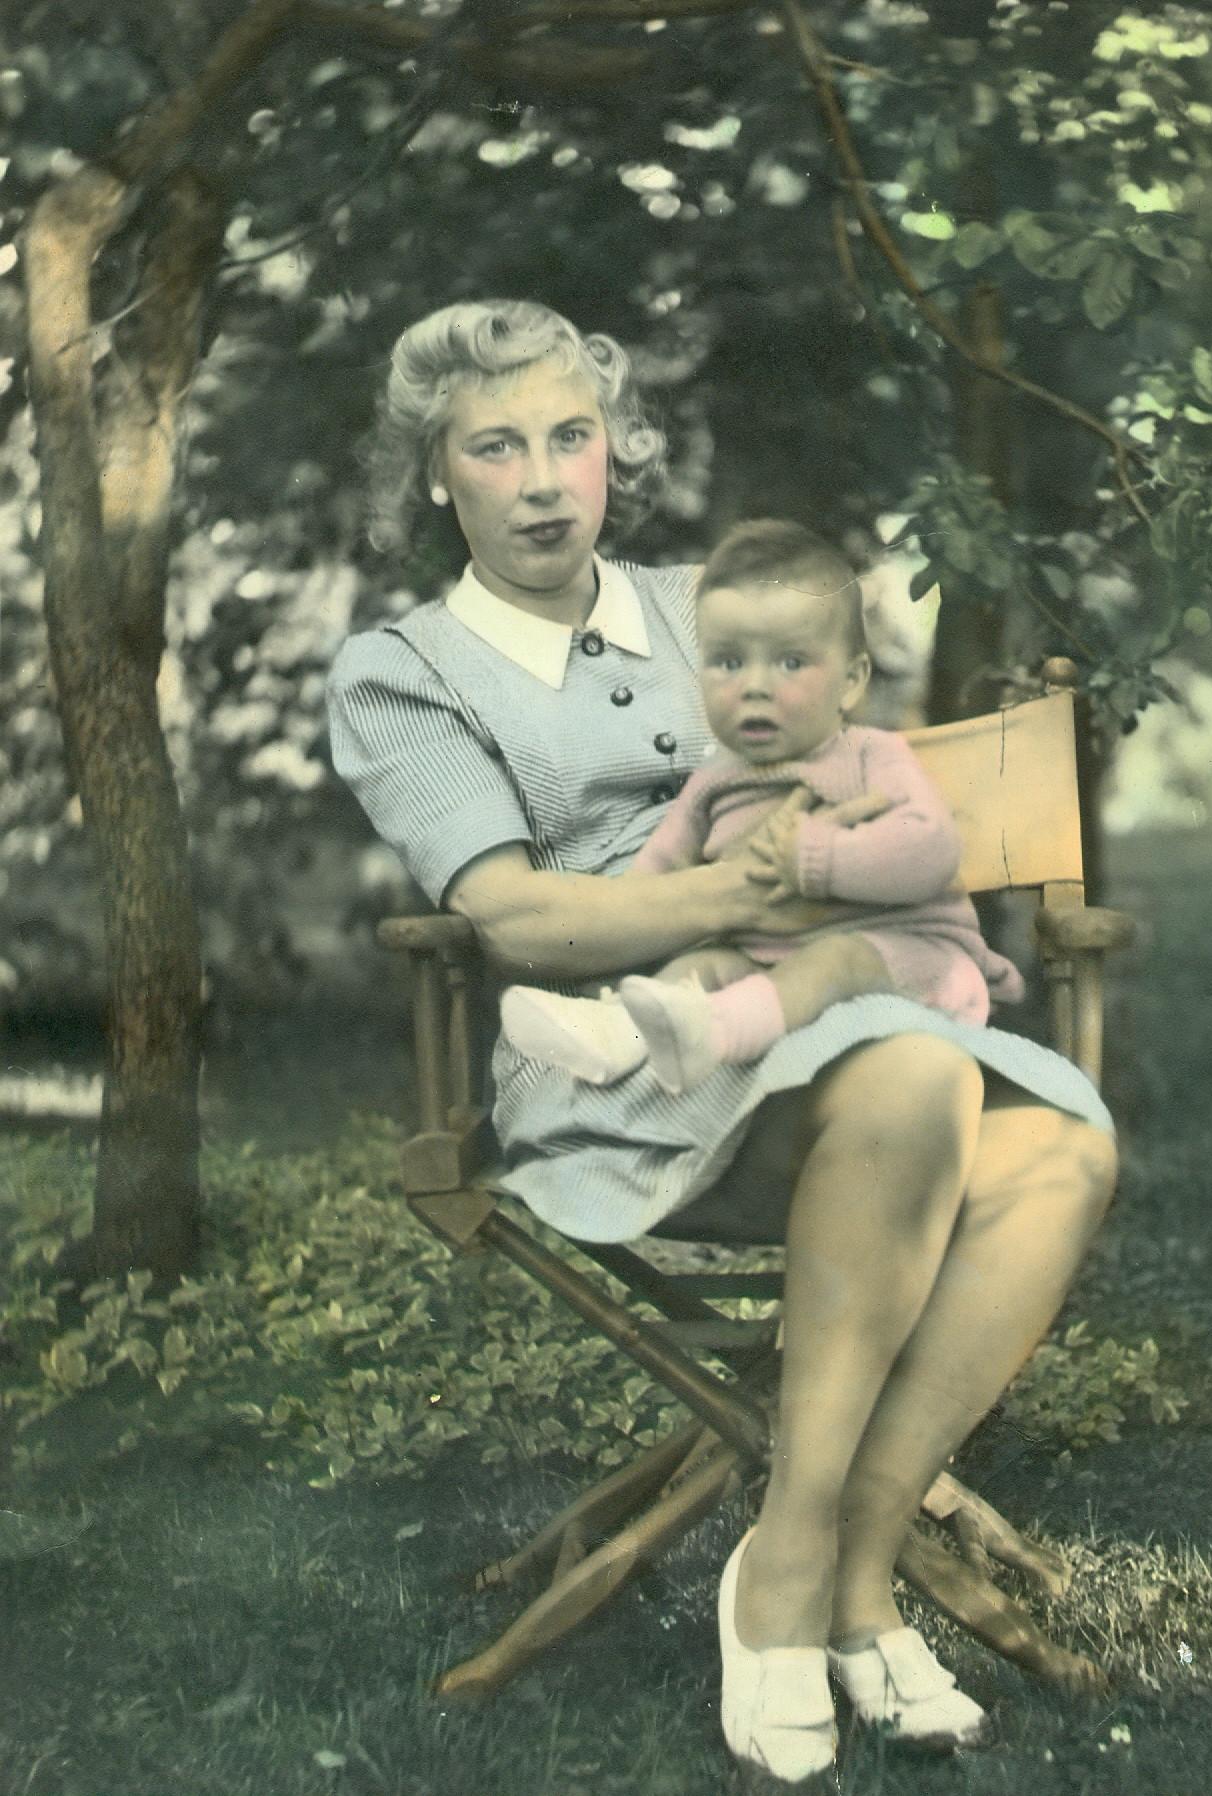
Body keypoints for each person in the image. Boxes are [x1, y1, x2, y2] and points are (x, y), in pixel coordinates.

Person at [327, 300, 1117, 1786]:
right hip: (618, 1064)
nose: (548, 479)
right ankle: (805, 1567)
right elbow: (520, 924)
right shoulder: (406, 669)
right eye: (497, 448)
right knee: (912, 1072)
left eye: (573, 437)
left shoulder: (718, 601)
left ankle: (836, 1554)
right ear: (439, 476)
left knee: (1065, 1145)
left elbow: (882, 764)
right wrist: (748, 885)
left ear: (615, 450)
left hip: (843, 1032)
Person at [499, 518, 1026, 1094]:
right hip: (775, 966)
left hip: (909, 961)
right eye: (728, 662)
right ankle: (609, 1036)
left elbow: (932, 849)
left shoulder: (874, 755)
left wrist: (820, 856)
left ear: (850, 683)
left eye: (790, 663)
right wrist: (625, 933)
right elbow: (655, 874)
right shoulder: (716, 780)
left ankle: (715, 1039)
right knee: (695, 971)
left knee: (833, 961)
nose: (753, 686)